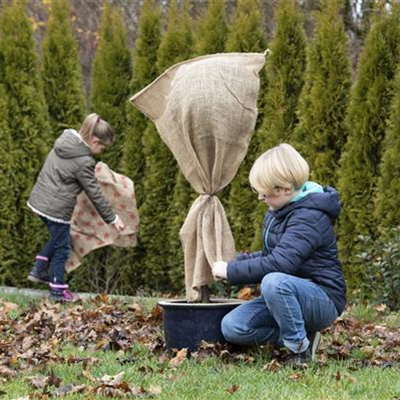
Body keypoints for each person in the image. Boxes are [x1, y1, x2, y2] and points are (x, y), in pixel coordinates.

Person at [211, 143, 346, 367]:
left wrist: (231, 271)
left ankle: (299, 351)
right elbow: (269, 254)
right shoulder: (279, 211)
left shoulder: (308, 218)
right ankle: (303, 338)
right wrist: (233, 261)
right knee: (233, 327)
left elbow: (280, 263)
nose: (260, 198)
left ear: (285, 189)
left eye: (265, 193)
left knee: (273, 281)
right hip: (287, 295)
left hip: (322, 299)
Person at [27, 113, 125, 302]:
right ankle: (58, 291)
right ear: (95, 141)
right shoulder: (84, 161)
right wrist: (113, 219)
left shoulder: (65, 141)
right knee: (63, 248)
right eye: (102, 148)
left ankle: (39, 268)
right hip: (56, 209)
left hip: (40, 201)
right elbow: (94, 194)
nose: (101, 152)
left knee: (59, 237)